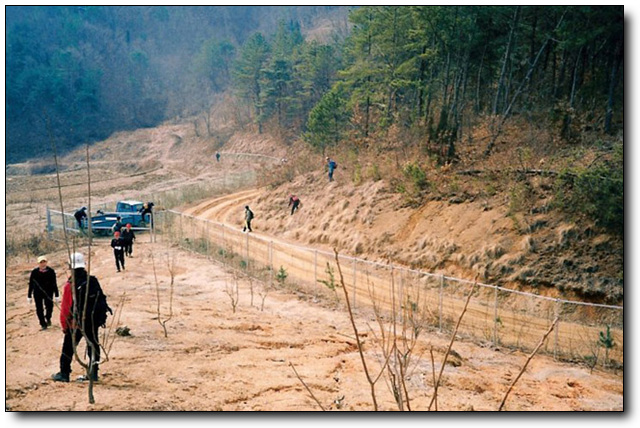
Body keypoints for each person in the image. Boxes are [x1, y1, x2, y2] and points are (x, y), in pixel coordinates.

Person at [52, 252, 109, 382]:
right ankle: (93, 373)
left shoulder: (70, 285)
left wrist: (65, 326)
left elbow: (66, 309)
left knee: (68, 347)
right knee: (93, 346)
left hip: (75, 323)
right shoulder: (92, 281)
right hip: (92, 321)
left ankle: (64, 373)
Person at [28, 255, 59, 330]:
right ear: (38, 263)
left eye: (44, 262)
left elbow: (54, 283)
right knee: (39, 308)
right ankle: (43, 323)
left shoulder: (51, 271)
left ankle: (48, 318)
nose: (43, 264)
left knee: (49, 306)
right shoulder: (34, 272)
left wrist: (57, 295)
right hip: (37, 293)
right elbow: (31, 284)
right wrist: (29, 296)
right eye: (41, 262)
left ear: (46, 262)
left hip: (48, 292)